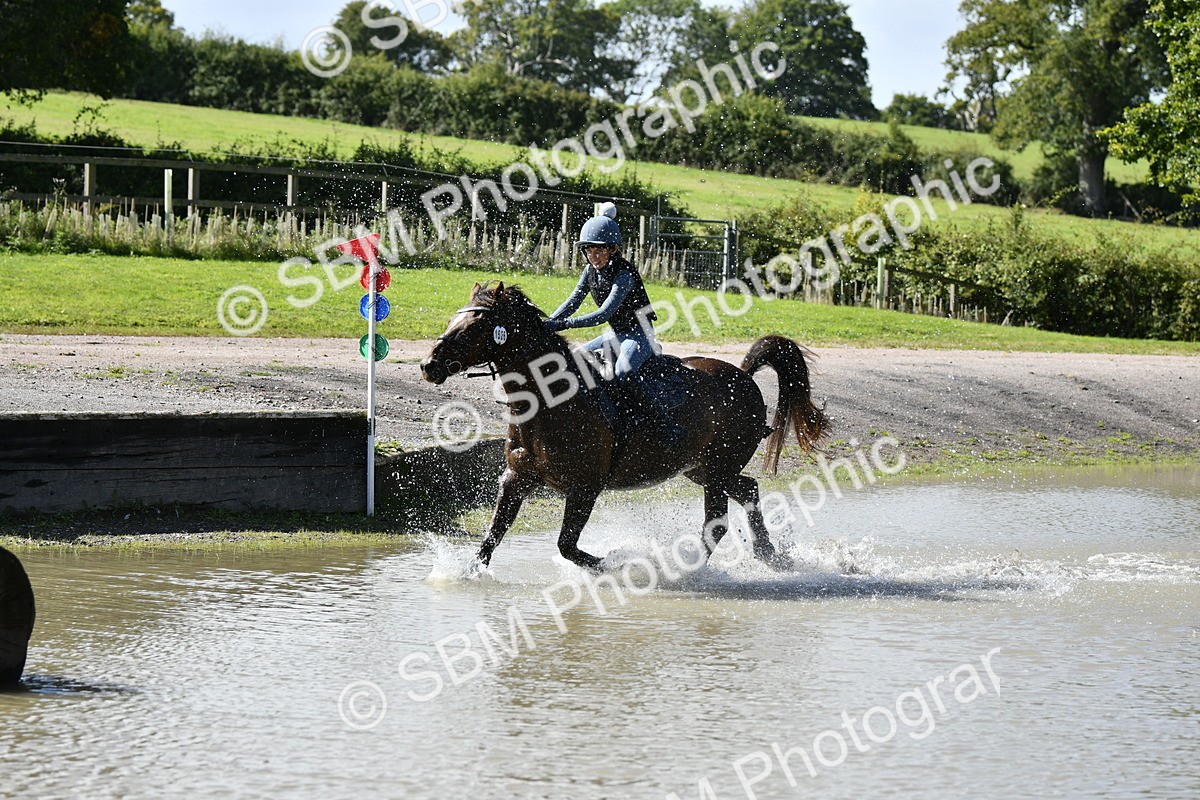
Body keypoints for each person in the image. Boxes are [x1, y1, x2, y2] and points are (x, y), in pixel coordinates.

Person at [544, 203, 684, 443]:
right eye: (589, 250)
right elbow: (572, 302)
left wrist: (565, 324)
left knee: (622, 372)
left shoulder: (624, 274)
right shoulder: (589, 271)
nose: (594, 256)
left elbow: (603, 314)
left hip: (640, 336)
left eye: (599, 250)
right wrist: (547, 322)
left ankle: (665, 424)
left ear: (613, 249)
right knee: (576, 360)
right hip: (616, 335)